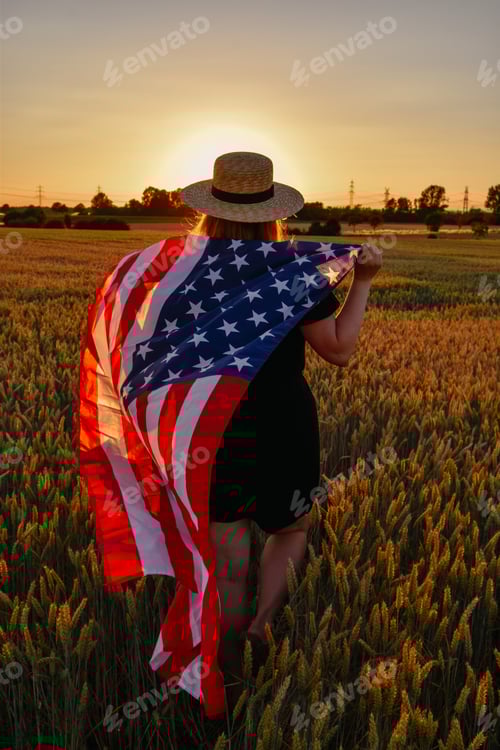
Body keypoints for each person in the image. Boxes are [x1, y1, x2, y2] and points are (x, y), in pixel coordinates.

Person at [180, 151, 383, 714]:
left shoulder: (185, 274)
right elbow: (339, 351)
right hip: (284, 422)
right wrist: (362, 280)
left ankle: (226, 664)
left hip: (214, 425)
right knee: (288, 530)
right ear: (273, 213)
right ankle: (263, 629)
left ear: (210, 209)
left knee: (228, 541)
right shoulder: (291, 271)